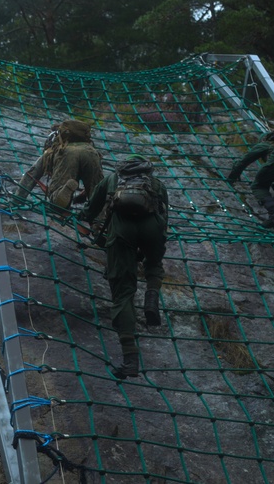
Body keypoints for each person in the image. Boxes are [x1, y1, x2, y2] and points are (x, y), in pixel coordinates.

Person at [78, 154, 169, 379]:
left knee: (123, 293)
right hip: (153, 228)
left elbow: (91, 209)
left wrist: (81, 215)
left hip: (121, 232)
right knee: (154, 263)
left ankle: (130, 358)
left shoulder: (111, 179)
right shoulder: (157, 184)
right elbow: (165, 214)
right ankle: (151, 297)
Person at [15, 120, 103, 209]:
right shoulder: (90, 148)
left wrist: (17, 201)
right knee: (97, 192)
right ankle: (100, 214)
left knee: (56, 202)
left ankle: (60, 196)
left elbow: (31, 175)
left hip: (69, 156)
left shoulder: (55, 150)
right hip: (91, 155)